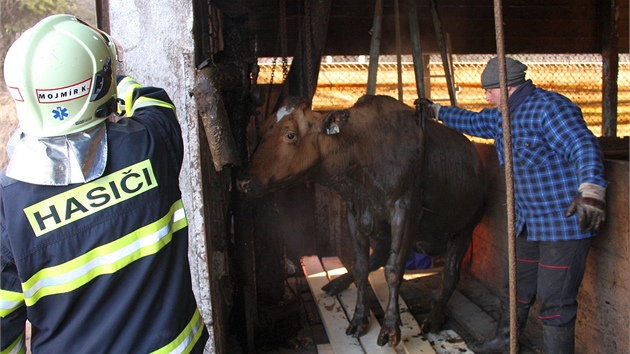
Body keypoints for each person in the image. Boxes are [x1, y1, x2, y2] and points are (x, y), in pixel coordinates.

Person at [0, 15, 208, 353]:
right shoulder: (152, 142)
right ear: (99, 84)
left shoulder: (7, 209)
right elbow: (153, 100)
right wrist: (116, 83)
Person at [416, 57, 607, 354]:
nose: (486, 96)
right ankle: (504, 341)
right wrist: (437, 111)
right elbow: (472, 121)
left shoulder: (550, 109)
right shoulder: (502, 115)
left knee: (554, 300)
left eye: (489, 90)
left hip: (563, 225)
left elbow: (583, 145)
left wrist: (591, 188)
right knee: (516, 287)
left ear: (505, 87)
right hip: (528, 223)